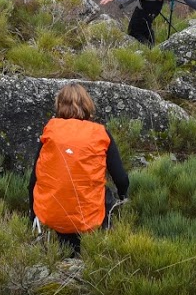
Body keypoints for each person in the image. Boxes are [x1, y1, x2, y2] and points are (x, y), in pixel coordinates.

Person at [28, 82, 129, 254]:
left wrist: (32, 213)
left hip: (52, 215)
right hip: (89, 217)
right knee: (105, 194)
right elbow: (121, 178)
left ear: (59, 105)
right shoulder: (100, 133)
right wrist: (123, 196)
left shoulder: (50, 131)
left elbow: (33, 180)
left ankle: (62, 253)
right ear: (87, 105)